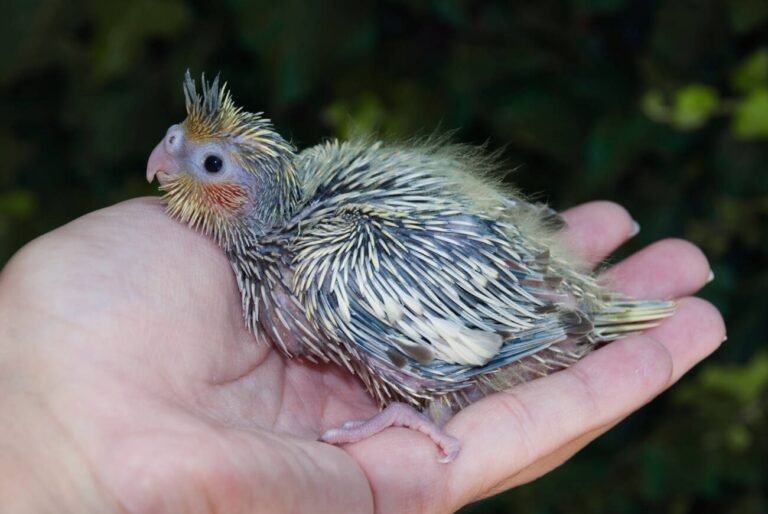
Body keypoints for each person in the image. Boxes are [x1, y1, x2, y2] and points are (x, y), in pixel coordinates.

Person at [0, 198, 724, 514]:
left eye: (208, 163)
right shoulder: (277, 261)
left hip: (510, 321)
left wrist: (419, 407)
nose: (166, 167)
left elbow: (457, 341)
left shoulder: (324, 267)